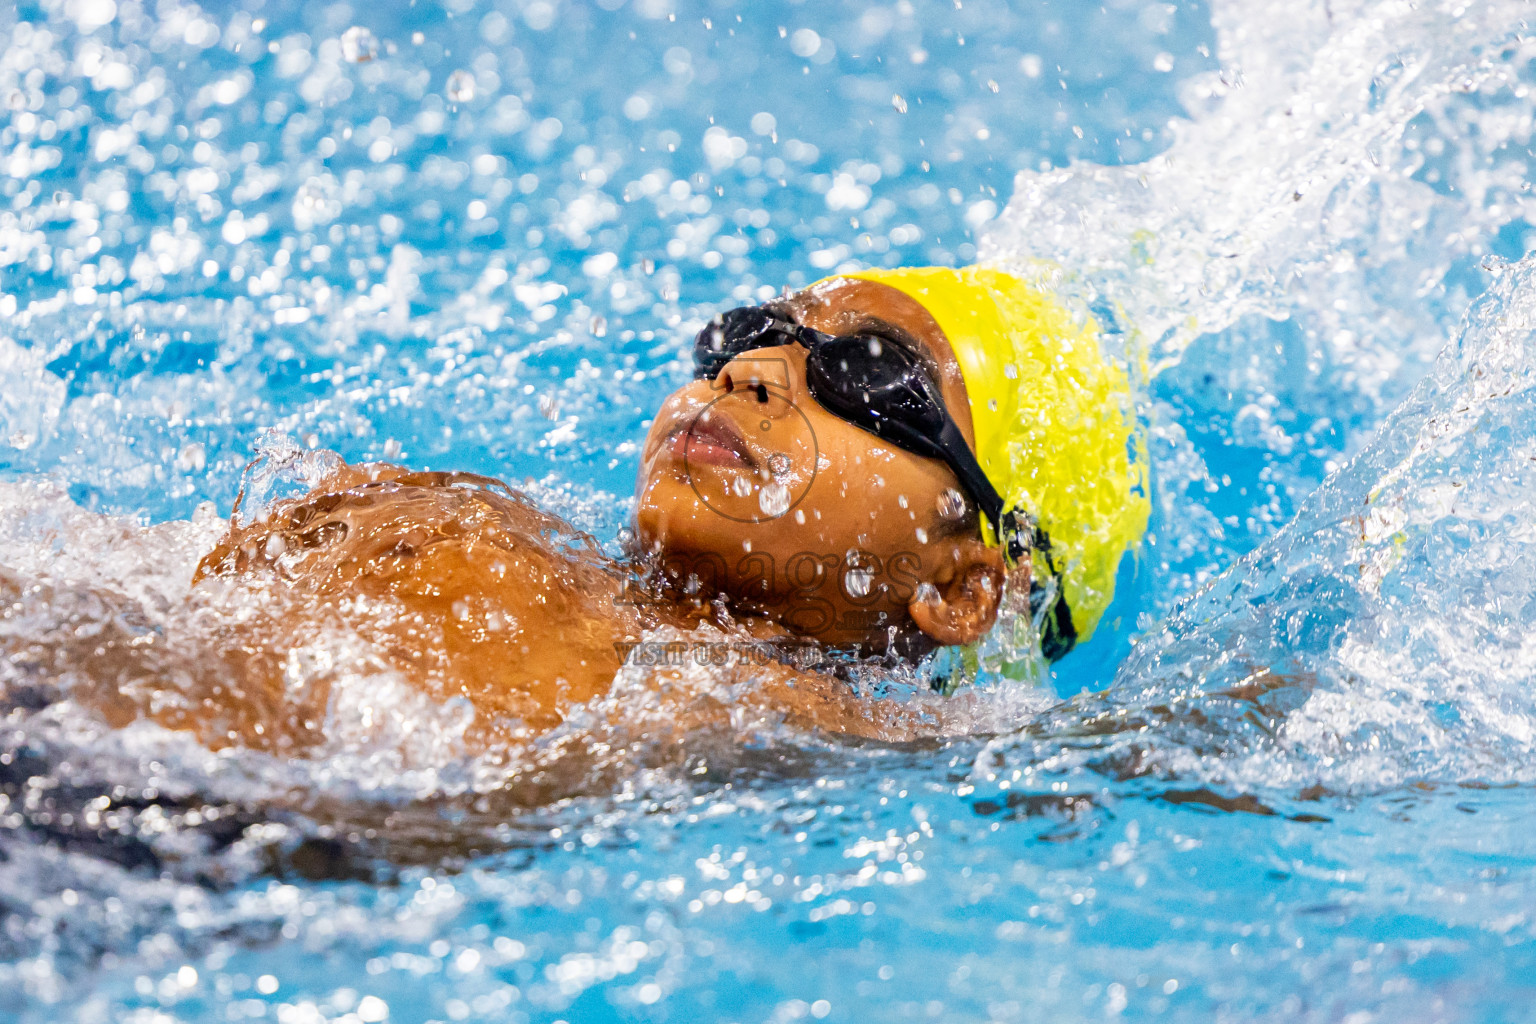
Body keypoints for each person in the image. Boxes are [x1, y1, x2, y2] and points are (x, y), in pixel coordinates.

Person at [157, 266, 1149, 753]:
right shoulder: (475, 508)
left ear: (963, 590)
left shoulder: (776, 709)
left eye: (868, 371)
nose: (754, 370)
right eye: (755, 331)